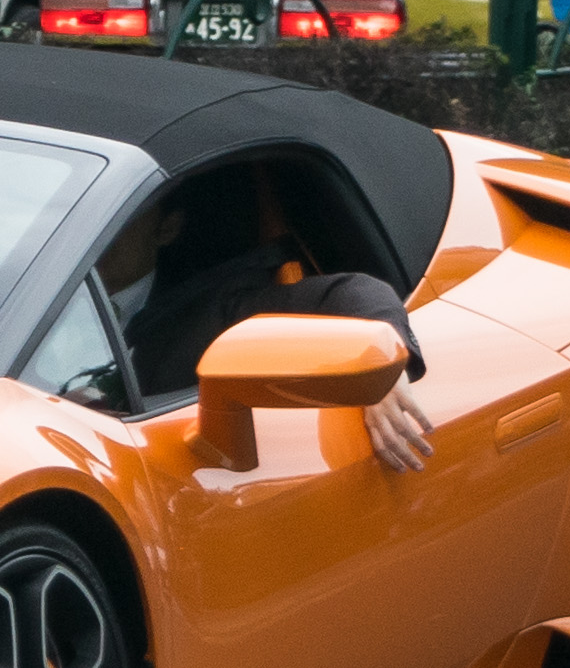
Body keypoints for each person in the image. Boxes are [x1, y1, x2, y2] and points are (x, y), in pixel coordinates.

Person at [99, 196, 437, 473]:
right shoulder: (48, 287)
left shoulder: (211, 310)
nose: (102, 228)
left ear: (166, 228)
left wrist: (383, 371)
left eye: (122, 215)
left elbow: (358, 292)